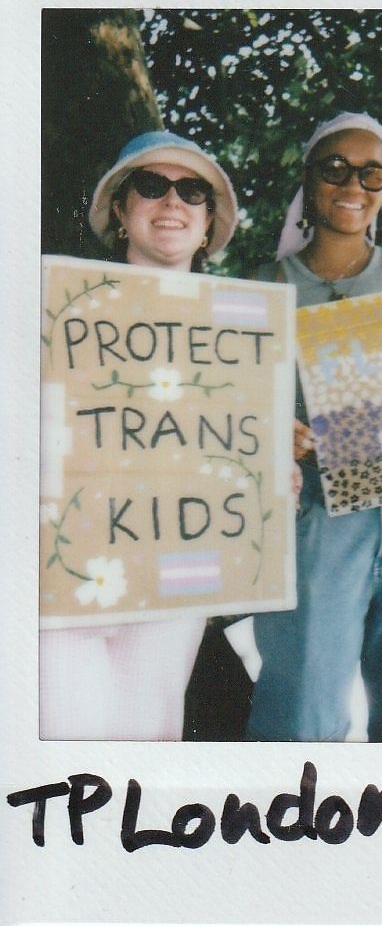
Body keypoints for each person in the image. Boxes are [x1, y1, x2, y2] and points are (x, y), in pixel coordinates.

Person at [247, 112, 382, 743]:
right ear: (309, 180)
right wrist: (269, 427)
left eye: (372, 172)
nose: (354, 184)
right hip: (320, 516)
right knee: (301, 712)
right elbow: (233, 402)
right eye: (335, 167)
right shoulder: (264, 286)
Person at [40, 130, 240, 740]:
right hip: (67, 564)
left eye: (192, 191)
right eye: (150, 186)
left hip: (175, 567)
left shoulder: (240, 333)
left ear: (208, 224)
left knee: (149, 733)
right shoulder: (58, 310)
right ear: (122, 213)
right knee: (62, 730)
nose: (171, 201)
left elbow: (236, 447)